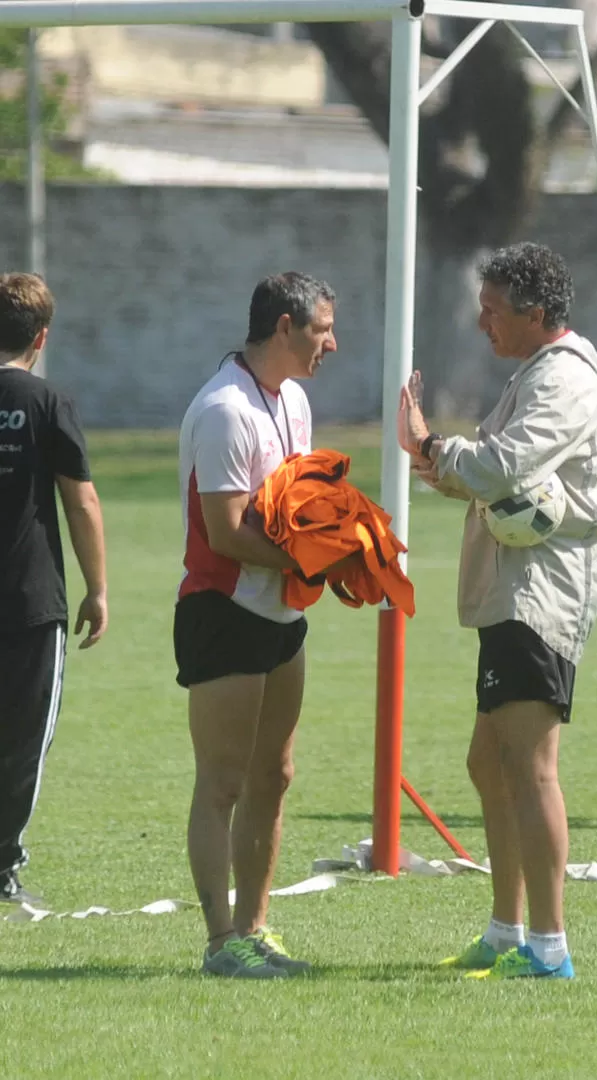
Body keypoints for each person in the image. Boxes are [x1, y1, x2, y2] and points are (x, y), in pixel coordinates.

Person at [399, 242, 597, 979]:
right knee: (488, 762)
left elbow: (501, 467)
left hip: (541, 594)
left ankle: (550, 947)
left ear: (535, 313)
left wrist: (433, 444)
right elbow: (502, 476)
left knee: (530, 769)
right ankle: (505, 933)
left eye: (493, 310)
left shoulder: (563, 380)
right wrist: (448, 468)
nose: (480, 324)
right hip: (515, 587)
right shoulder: (539, 372)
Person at [175, 271, 342, 977]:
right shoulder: (223, 409)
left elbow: (293, 502)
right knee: (223, 781)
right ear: (282, 326)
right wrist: (313, 559)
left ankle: (256, 927)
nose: (331, 343)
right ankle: (220, 943)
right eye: (321, 329)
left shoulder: (293, 400)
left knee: (275, 774)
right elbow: (227, 532)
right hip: (223, 610)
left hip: (281, 614)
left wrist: (341, 534)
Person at [0, 272, 108, 905]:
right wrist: (98, 588)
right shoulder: (49, 403)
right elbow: (82, 501)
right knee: (22, 741)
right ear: (42, 337)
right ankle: (3, 867)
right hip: (31, 602)